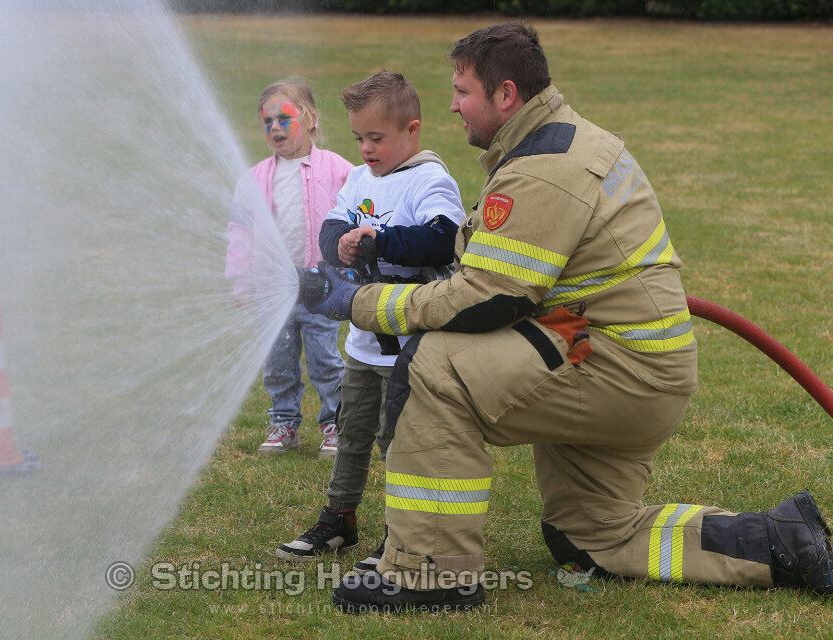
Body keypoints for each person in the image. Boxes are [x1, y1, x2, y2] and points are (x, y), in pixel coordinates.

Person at [299, 23, 833, 613]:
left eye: (462, 91)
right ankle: (781, 541)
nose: (451, 104)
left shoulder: (545, 166)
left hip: (611, 363)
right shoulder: (559, 141)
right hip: (627, 360)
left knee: (432, 367)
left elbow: (487, 297)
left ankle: (430, 573)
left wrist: (356, 304)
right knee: (592, 536)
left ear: (506, 96)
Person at [276, 72, 466, 565]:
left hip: (412, 350)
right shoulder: (360, 180)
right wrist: (338, 240)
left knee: (398, 444)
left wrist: (381, 241)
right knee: (352, 432)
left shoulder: (430, 179)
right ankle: (339, 519)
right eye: (359, 138)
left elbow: (446, 237)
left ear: (412, 131)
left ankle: (398, 535)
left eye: (376, 138)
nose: (365, 149)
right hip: (362, 346)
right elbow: (335, 225)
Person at [226, 79, 352, 457]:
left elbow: (358, 214)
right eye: (268, 122)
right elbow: (241, 231)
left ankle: (335, 423)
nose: (275, 127)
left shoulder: (339, 170)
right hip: (273, 290)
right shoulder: (255, 178)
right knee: (278, 362)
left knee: (325, 361)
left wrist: (349, 272)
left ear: (311, 119)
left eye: (284, 118)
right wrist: (242, 284)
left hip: (321, 290)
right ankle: (284, 422)